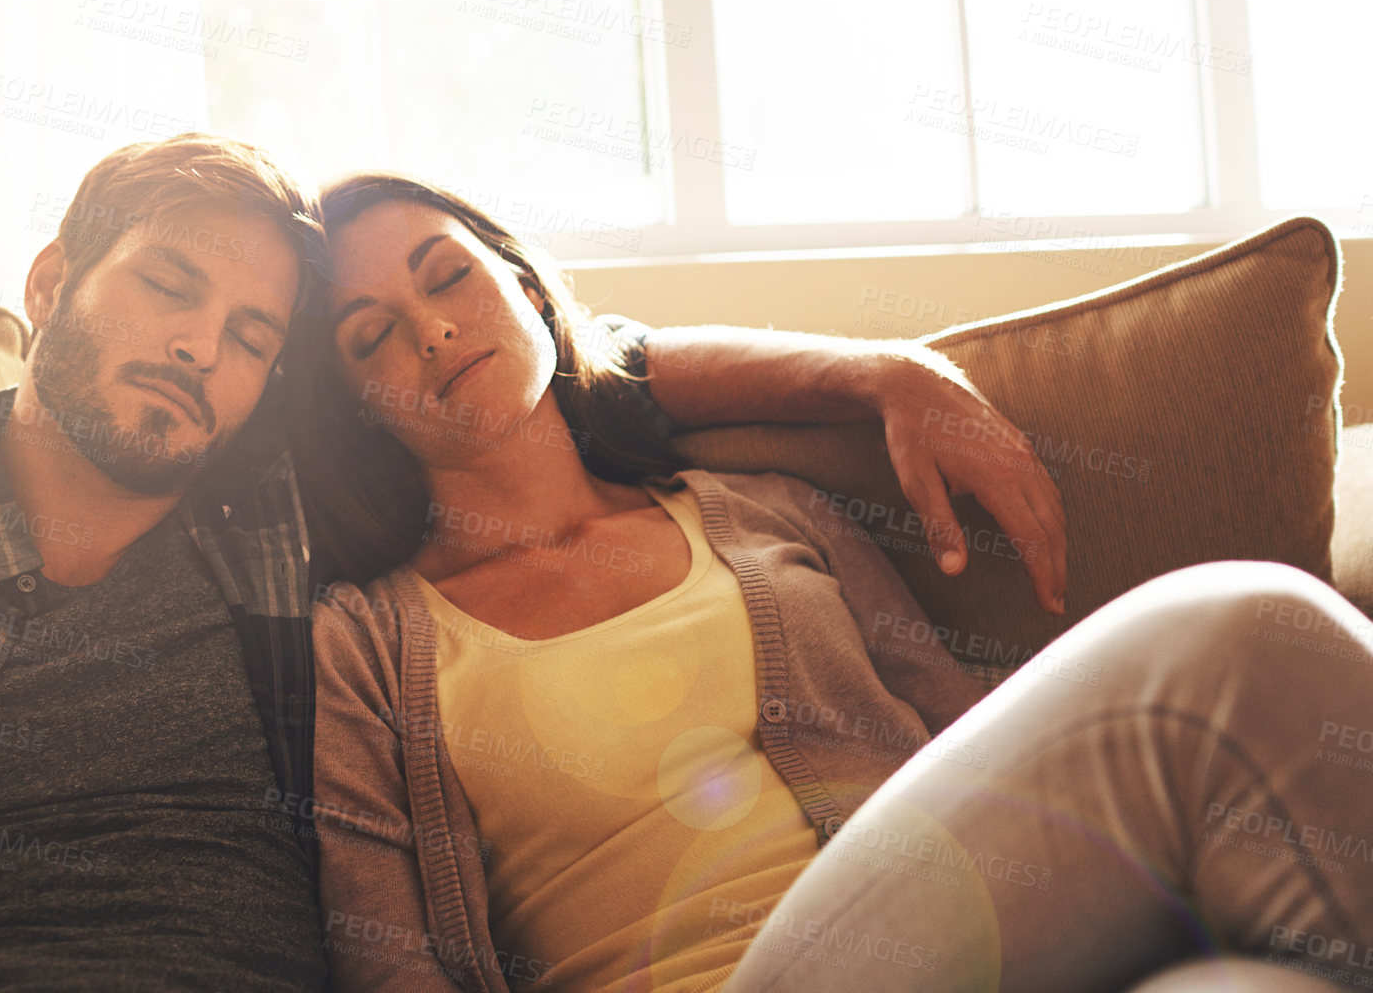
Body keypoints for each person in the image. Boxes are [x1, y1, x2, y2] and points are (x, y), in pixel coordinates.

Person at [0, 136, 1059, 993]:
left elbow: (512, 371)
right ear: (53, 285)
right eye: (170, 288)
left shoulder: (284, 520)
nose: (204, 347)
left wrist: (884, 373)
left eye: (254, 338)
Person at [291, 172, 1373, 993]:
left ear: (525, 286)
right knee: (1250, 628)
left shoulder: (765, 508)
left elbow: (965, 746)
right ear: (355, 407)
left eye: (448, 275)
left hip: (944, 934)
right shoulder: (364, 641)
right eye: (371, 335)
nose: (431, 327)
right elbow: (388, 956)